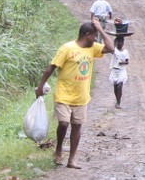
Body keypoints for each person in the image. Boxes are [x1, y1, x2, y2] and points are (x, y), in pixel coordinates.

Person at [35, 21, 114, 169]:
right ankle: (58, 149)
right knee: (64, 123)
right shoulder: (67, 48)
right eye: (94, 36)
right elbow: (51, 67)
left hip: (81, 97)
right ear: (87, 35)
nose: (96, 39)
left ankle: (72, 159)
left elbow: (111, 48)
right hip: (64, 94)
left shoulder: (93, 49)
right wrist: (41, 86)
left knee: (77, 127)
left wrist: (101, 30)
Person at [108, 34, 130, 109]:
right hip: (115, 70)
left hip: (122, 70)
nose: (120, 43)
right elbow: (111, 49)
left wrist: (122, 63)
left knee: (120, 86)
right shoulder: (114, 51)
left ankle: (118, 102)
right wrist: (114, 41)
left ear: (123, 43)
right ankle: (117, 99)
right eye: (118, 42)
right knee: (115, 87)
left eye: (121, 42)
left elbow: (127, 62)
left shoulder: (125, 52)